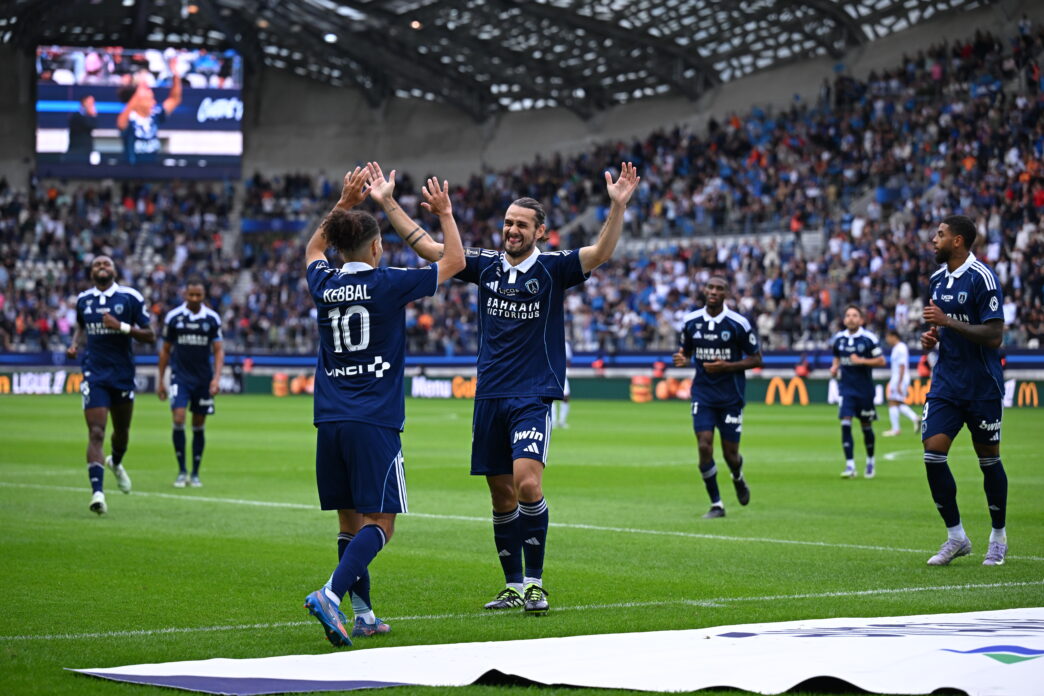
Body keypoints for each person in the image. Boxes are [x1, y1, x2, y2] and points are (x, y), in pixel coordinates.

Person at [369, 160, 640, 615]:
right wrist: (388, 202)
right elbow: (430, 248)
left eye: (521, 225)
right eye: (508, 223)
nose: (511, 230)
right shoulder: (485, 265)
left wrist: (617, 209)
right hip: (489, 394)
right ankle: (512, 585)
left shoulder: (555, 268)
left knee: (528, 483)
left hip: (532, 394)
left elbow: (600, 253)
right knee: (501, 495)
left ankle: (536, 583)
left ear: (541, 232)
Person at [302, 167, 464, 647]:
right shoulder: (388, 283)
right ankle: (330, 594)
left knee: (349, 522)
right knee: (383, 525)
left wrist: (343, 201)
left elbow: (311, 250)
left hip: (329, 419)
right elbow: (454, 259)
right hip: (374, 420)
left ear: (338, 248)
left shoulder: (325, 283)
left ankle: (365, 613)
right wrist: (447, 214)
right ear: (375, 248)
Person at [920, 215, 1007, 566]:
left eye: (939, 235)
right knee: (932, 453)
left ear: (958, 241)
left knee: (988, 460)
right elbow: (940, 329)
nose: (933, 239)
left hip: (981, 385)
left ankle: (998, 537)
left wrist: (947, 322)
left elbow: (994, 335)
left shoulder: (983, 278)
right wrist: (932, 337)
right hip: (946, 382)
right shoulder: (937, 279)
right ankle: (956, 536)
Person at [66, 256, 155, 514]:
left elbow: (150, 335)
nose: (102, 266)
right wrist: (75, 344)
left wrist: (121, 326)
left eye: (106, 263)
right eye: (97, 264)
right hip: (94, 374)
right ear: (92, 272)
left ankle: (115, 462)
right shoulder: (84, 300)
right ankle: (98, 494)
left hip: (122, 375)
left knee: (122, 432)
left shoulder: (130, 298)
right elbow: (81, 326)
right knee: (96, 432)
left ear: (115, 270)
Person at [672, 276, 762, 518]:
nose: (713, 292)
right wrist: (682, 358)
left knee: (730, 455)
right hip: (703, 393)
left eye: (719, 289)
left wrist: (727, 366)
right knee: (704, 445)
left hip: (731, 396)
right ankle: (716, 504)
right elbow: (686, 351)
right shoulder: (691, 321)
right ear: (704, 290)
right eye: (710, 287)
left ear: (726, 294)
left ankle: (737, 476)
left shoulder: (738, 323)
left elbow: (756, 358)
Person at [157, 278, 224, 488]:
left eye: (198, 295)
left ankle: (194, 472)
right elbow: (166, 350)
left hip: (203, 379)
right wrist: (160, 380)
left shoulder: (212, 319)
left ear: (204, 296)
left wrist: (216, 378)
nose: (194, 298)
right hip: (180, 377)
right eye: (191, 295)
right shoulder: (174, 317)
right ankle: (181, 471)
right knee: (178, 417)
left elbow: (219, 349)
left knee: (198, 424)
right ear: (185, 294)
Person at [829, 305, 885, 479]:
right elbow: (837, 356)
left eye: (854, 315)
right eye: (848, 315)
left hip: (865, 390)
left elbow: (881, 361)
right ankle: (850, 465)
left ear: (861, 320)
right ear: (844, 320)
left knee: (866, 427)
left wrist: (861, 360)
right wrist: (835, 366)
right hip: (846, 389)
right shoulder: (838, 339)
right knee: (845, 423)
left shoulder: (868, 339)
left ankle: (870, 461)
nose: (851, 318)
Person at [116, 58, 182, 165]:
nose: (154, 102)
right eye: (149, 99)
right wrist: (139, 88)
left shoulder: (154, 116)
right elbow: (120, 123)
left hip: (152, 171)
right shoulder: (130, 118)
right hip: (132, 174)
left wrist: (175, 74)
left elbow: (175, 99)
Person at [882, 330, 920, 436]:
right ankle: (914, 418)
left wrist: (899, 383)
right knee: (897, 403)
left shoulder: (900, 348)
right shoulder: (897, 348)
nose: (887, 340)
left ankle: (896, 429)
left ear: (894, 336)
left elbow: (902, 366)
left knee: (892, 401)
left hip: (899, 378)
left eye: (888, 337)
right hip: (898, 377)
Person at [66, 95, 97, 161]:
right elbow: (90, 125)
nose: (93, 106)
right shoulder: (77, 116)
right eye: (90, 103)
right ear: (84, 103)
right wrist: (93, 115)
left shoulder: (86, 117)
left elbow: (95, 125)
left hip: (86, 151)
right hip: (76, 151)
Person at [552, 340, 572, 428]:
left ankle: (562, 421)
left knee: (566, 397)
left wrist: (565, 369)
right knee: (551, 396)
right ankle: (553, 420)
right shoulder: (548, 341)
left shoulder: (565, 344)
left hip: (562, 372)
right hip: (550, 372)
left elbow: (568, 359)